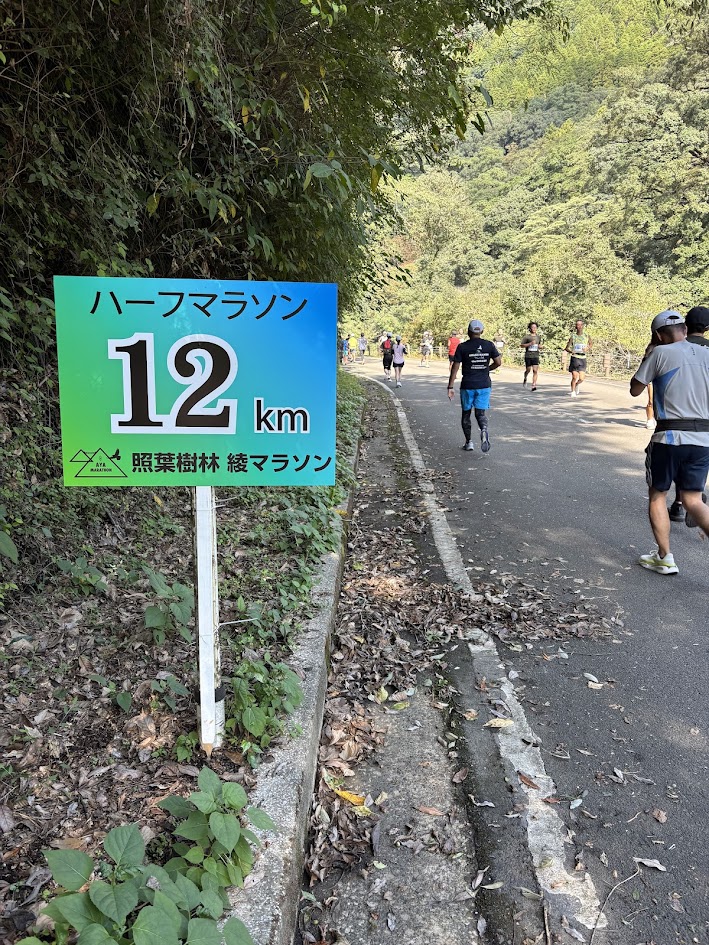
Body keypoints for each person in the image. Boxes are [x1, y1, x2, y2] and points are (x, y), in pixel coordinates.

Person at [630, 310, 709, 574]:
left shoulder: (660, 353)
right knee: (693, 500)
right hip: (703, 438)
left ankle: (664, 557)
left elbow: (635, 389)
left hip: (669, 437)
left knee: (658, 494)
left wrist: (649, 353)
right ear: (684, 330)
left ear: (658, 335)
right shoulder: (707, 354)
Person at [447, 319, 501, 452]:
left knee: (466, 414)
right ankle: (483, 429)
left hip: (468, 385)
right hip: (484, 385)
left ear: (468, 332)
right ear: (482, 331)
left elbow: (455, 367)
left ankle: (469, 442)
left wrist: (450, 386)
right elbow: (498, 362)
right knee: (480, 413)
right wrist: (487, 369)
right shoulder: (489, 345)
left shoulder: (462, 347)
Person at [565, 320, 592, 397]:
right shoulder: (573, 336)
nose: (579, 326)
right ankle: (573, 391)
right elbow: (566, 348)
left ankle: (577, 384)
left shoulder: (586, 335)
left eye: (581, 325)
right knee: (574, 377)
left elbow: (590, 344)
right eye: (578, 325)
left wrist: (587, 348)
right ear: (576, 326)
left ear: (583, 326)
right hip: (575, 358)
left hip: (583, 358)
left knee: (582, 378)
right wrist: (571, 351)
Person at [520, 322, 543, 391]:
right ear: (530, 328)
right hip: (528, 356)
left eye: (535, 327)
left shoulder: (538, 337)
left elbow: (539, 345)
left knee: (535, 370)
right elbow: (521, 345)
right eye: (533, 327)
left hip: (535, 355)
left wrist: (541, 346)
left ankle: (534, 385)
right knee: (528, 370)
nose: (534, 329)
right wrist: (530, 343)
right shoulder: (527, 337)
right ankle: (525, 378)